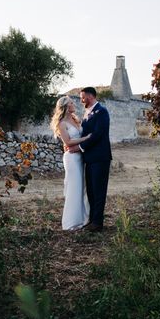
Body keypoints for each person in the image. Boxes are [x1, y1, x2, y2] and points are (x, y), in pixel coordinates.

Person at [66, 87, 112, 232]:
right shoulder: (87, 114)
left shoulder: (101, 112)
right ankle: (92, 220)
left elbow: (98, 134)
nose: (81, 100)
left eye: (83, 97)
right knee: (91, 191)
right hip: (89, 159)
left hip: (100, 158)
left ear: (91, 96)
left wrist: (79, 148)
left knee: (99, 191)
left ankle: (98, 222)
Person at [50, 96, 91, 231]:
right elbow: (67, 142)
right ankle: (71, 222)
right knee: (74, 187)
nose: (74, 104)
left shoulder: (75, 119)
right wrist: (85, 138)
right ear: (66, 107)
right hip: (72, 158)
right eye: (71, 103)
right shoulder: (62, 123)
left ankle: (84, 219)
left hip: (80, 156)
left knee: (82, 187)